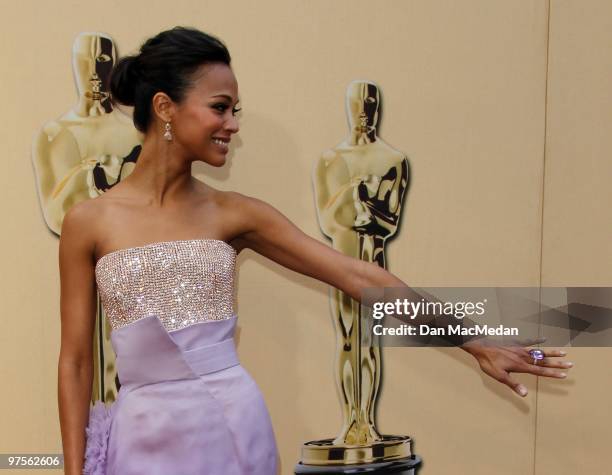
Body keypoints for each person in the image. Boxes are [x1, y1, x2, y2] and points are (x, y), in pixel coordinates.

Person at [57, 26, 574, 475]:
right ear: (165, 107)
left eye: (235, 110)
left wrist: (476, 342)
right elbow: (76, 362)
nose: (233, 125)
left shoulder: (236, 213)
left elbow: (363, 278)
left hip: (229, 422)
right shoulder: (89, 221)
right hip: (139, 432)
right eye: (219, 108)